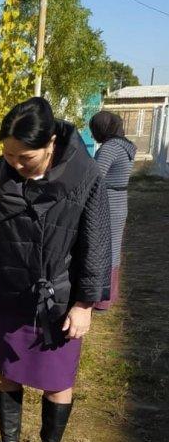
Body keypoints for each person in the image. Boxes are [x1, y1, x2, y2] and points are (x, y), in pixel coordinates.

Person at [0, 97, 111, 442]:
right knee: (6, 373)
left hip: (57, 300)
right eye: (8, 154)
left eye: (25, 157)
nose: (15, 163)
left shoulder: (84, 175)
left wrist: (84, 303)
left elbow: (97, 244)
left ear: (52, 143)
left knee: (57, 382)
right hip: (9, 290)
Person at [89, 110, 135, 311]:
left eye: (94, 129)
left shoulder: (109, 148)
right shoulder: (125, 146)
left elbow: (95, 176)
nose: (93, 134)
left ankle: (101, 299)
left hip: (107, 203)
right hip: (119, 202)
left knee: (102, 249)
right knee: (113, 248)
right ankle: (108, 296)